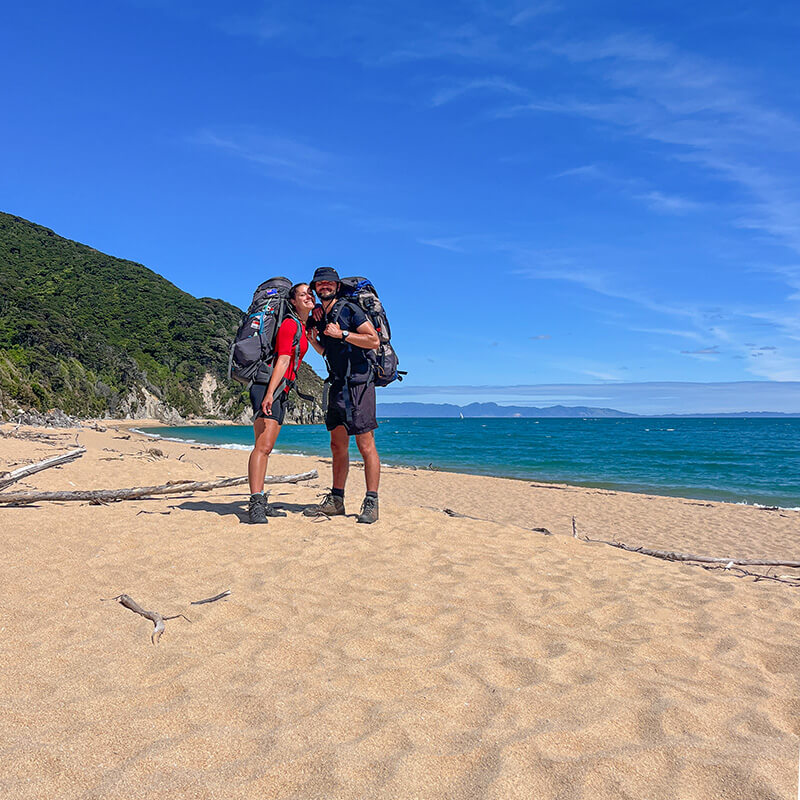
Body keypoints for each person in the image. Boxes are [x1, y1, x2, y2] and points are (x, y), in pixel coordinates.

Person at [302, 266, 382, 524]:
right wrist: (317, 344)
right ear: (315, 288)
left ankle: (371, 502)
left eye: (329, 283)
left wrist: (344, 333)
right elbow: (331, 352)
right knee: (337, 445)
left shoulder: (349, 310)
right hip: (336, 384)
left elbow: (373, 341)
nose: (324, 286)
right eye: (320, 283)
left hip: (359, 384)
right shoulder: (320, 315)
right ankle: (337, 500)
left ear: (336, 286)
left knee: (365, 444)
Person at [247, 283, 315, 524]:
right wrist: (269, 394)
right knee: (262, 447)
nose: (309, 296)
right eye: (303, 294)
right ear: (293, 301)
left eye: (311, 293)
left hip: (279, 390)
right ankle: (255, 504)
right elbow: (283, 361)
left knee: (264, 447)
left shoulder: (300, 326)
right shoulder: (289, 324)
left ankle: (260, 500)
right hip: (270, 388)